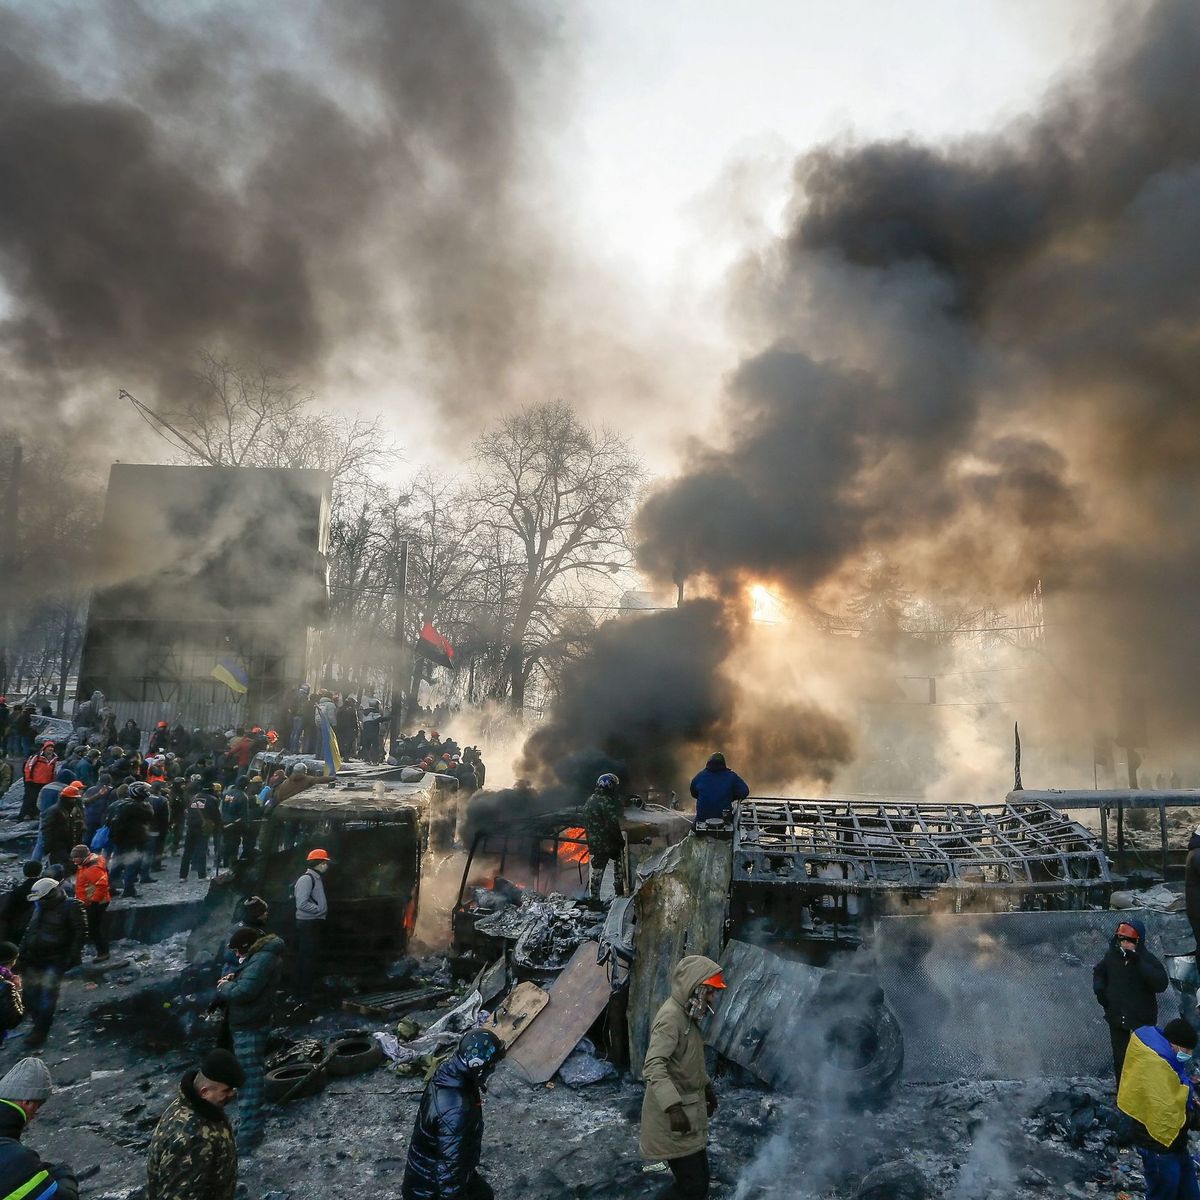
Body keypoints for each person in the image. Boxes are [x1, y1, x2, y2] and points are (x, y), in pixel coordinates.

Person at [640, 956, 727, 1200]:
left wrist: (707, 1088)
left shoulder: (687, 1017)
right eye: (710, 992)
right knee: (693, 1186)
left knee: (698, 1181)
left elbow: (688, 1063)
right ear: (695, 989)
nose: (712, 999)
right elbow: (654, 1066)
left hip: (689, 1112)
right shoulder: (671, 1019)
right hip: (674, 1118)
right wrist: (673, 1107)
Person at [401, 1028, 505, 1200]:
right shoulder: (458, 1111)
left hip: (422, 1175)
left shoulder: (448, 1074)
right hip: (428, 1191)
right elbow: (448, 1176)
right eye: (491, 1066)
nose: (492, 1071)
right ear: (479, 1068)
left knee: (484, 1194)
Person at [216, 926, 284, 1154]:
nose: (236, 956)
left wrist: (226, 986)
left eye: (238, 951)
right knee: (250, 1074)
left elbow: (244, 992)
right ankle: (249, 1128)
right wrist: (237, 976)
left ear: (247, 946)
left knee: (249, 1078)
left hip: (250, 1024)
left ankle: (250, 1133)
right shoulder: (260, 957)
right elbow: (250, 981)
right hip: (250, 1022)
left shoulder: (263, 959)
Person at [1116, 1018, 1200, 1199]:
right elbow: (1167, 1111)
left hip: (1175, 1144)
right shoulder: (1158, 1065)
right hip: (1158, 1145)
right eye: (1186, 1050)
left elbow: (1174, 1097)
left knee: (1189, 1193)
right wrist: (1195, 1116)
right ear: (1174, 1044)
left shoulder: (1164, 1057)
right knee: (1164, 1193)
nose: (1189, 1054)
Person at [147, 1048, 243, 1200]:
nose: (232, 1094)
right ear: (204, 1092)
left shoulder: (198, 1107)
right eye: (226, 1090)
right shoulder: (191, 1139)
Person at [1094, 917, 1169, 1082]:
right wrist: (1100, 992)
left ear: (1138, 941)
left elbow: (1161, 984)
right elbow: (1099, 971)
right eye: (1122, 939)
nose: (1125, 944)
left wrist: (1139, 963)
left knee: (1143, 1058)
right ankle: (1122, 1095)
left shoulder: (1147, 959)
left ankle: (1143, 1092)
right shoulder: (1112, 956)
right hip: (1117, 1016)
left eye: (1130, 940)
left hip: (1141, 1019)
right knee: (1120, 1059)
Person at [18, 878, 84, 1047]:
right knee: (29, 995)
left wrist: (72, 957)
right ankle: (38, 1023)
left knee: (48, 996)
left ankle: (40, 1031)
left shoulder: (71, 906)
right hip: (33, 957)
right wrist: (23, 951)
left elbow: (80, 933)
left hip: (55, 959)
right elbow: (30, 931)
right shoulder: (39, 906)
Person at [0, 1057, 78, 1200]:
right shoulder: (17, 1158)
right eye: (38, 1106)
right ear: (27, 1101)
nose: (35, 1115)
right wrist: (64, 1175)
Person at [292, 849, 331, 998]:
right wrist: (319, 910)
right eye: (324, 863)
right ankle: (303, 991)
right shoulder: (307, 879)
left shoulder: (316, 878)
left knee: (309, 956)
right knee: (306, 957)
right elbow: (301, 903)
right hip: (308, 923)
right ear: (319, 863)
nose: (326, 865)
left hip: (312, 923)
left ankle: (304, 988)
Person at [583, 773, 626, 902]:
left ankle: (594, 900)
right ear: (609, 785)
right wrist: (620, 840)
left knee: (597, 869)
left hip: (594, 841)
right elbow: (612, 824)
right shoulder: (606, 801)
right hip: (606, 841)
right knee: (619, 861)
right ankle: (619, 894)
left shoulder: (591, 799)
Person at [71, 844, 111, 962]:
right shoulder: (87, 864)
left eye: (75, 857)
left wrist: (94, 902)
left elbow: (102, 886)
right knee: (94, 927)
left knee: (94, 928)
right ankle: (102, 950)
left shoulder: (92, 869)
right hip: (92, 901)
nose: (73, 860)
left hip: (96, 903)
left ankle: (103, 953)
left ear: (82, 857)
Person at [688, 753, 749, 826]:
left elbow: (693, 793)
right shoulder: (731, 776)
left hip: (702, 820)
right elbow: (745, 791)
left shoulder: (700, 776)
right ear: (723, 764)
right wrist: (730, 796)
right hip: (724, 820)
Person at [40, 784, 84, 872]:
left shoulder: (69, 810)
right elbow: (46, 830)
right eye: (73, 799)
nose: (75, 801)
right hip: (57, 846)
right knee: (58, 869)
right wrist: (48, 847)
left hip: (68, 845)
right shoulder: (54, 811)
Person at [0, 863, 44, 946]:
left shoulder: (18, 892)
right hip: (44, 926)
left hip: (22, 930)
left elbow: (7, 914)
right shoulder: (49, 887)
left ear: (24, 873)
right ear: (40, 872)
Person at [19, 744, 58, 822]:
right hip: (33, 781)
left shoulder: (54, 759)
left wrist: (52, 781)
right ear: (44, 749)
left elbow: (53, 771)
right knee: (29, 798)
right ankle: (24, 814)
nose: (50, 750)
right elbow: (28, 767)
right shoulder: (36, 757)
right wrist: (28, 779)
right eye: (49, 749)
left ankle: (35, 814)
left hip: (45, 782)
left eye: (52, 749)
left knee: (39, 799)